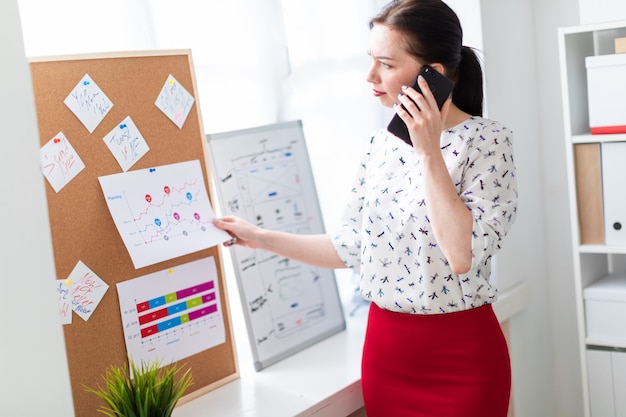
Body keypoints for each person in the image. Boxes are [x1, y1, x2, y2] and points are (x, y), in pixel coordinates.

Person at [213, 0, 518, 416]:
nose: (370, 77)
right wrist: (260, 237)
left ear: (434, 75)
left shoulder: (487, 143)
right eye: (370, 60)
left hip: (462, 360)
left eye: (387, 64)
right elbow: (351, 247)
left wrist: (429, 152)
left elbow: (461, 255)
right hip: (386, 356)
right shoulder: (380, 146)